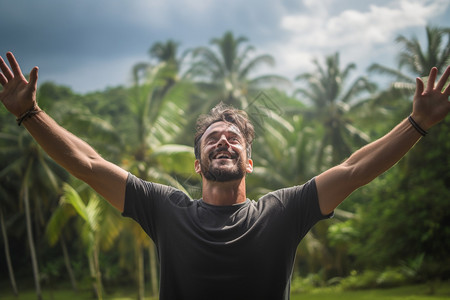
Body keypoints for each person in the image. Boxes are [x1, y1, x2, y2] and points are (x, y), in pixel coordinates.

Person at [1, 51, 449, 299]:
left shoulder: (284, 211)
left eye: (234, 138)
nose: (223, 141)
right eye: (212, 138)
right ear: (197, 164)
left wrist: (417, 125)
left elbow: (352, 170)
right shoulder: (164, 208)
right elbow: (90, 164)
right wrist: (30, 114)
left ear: (249, 161)